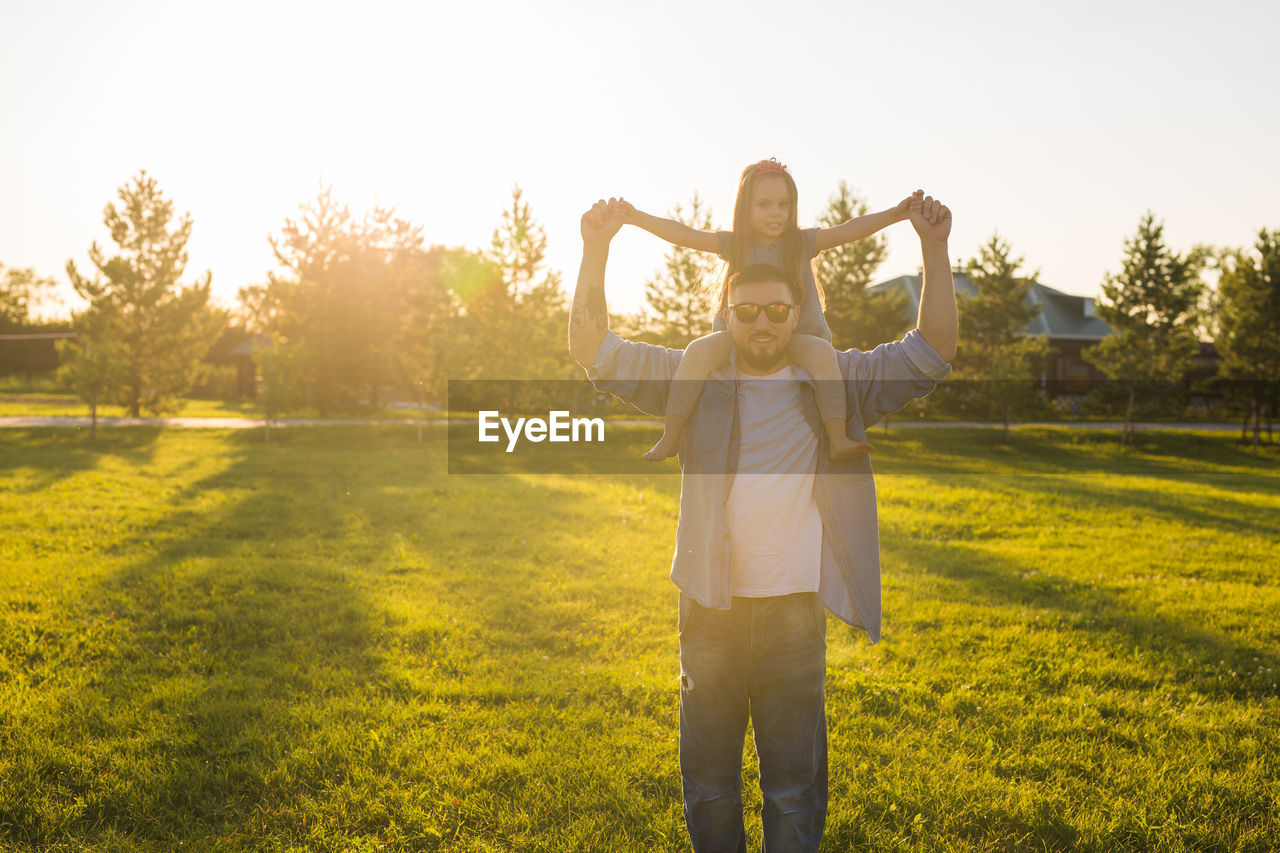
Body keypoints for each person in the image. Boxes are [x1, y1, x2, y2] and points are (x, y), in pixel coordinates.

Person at [568, 191, 957, 852]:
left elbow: (931, 352)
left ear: (797, 313)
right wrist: (596, 250)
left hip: (792, 618)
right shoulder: (693, 380)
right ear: (729, 315)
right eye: (746, 311)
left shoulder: (836, 380)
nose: (762, 323)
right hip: (709, 614)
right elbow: (592, 350)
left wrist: (934, 249)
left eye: (777, 310)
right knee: (710, 785)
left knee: (794, 790)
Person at [617, 158, 918, 463]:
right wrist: (636, 217)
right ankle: (670, 438)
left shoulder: (801, 243)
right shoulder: (734, 244)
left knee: (824, 358)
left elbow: (849, 230)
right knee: (696, 353)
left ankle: (838, 438)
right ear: (745, 208)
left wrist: (896, 214)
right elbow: (684, 234)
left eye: (783, 205)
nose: (776, 213)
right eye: (764, 205)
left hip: (797, 337)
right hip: (738, 336)